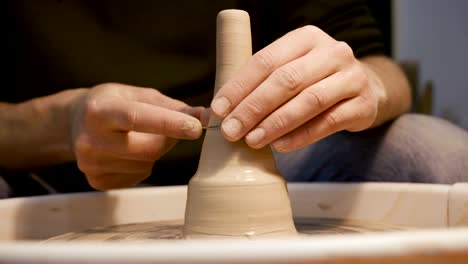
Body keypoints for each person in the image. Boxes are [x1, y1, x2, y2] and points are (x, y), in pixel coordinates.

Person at [1, 0, 467, 198]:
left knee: (433, 152)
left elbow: (377, 65)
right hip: (51, 172)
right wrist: (62, 125)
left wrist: (370, 84)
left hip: (274, 159)